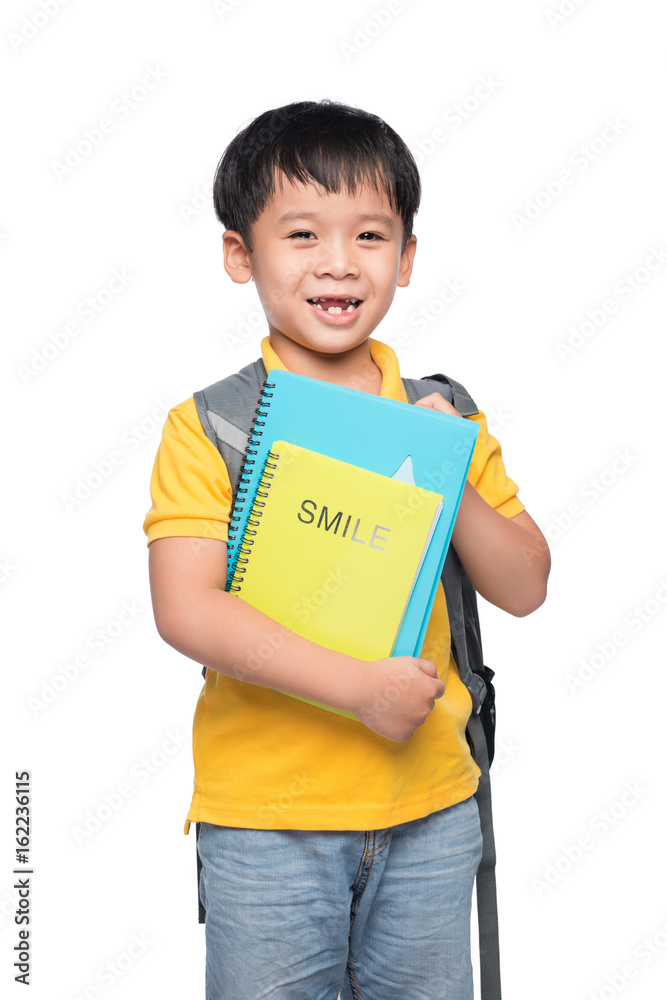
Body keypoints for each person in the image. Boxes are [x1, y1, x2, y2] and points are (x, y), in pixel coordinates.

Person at [143, 99, 550, 1000]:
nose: (337, 262)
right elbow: (187, 608)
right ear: (239, 254)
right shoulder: (212, 425)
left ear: (406, 259)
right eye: (300, 234)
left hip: (432, 813)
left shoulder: (445, 410)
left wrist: (447, 467)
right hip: (265, 824)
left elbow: (523, 586)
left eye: (369, 234)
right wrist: (358, 690)